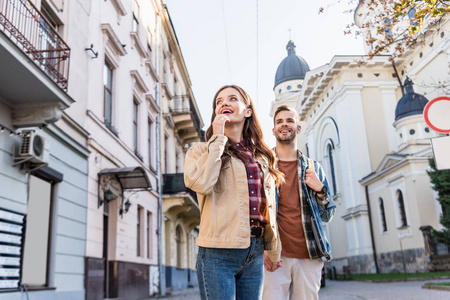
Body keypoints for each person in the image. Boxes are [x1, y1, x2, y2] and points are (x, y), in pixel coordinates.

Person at [184, 85, 285, 300]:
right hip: (217, 253)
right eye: (219, 102)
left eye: (232, 98)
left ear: (247, 111)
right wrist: (218, 139)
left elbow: (269, 206)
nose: (224, 103)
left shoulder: (263, 157)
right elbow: (202, 183)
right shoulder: (199, 151)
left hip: (255, 251)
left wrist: (273, 248)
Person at [262, 105, 336, 300]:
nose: (284, 124)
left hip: (309, 255)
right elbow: (255, 212)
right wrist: (262, 249)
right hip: (275, 256)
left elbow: (328, 215)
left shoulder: (314, 168)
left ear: (298, 128)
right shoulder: (263, 166)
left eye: (289, 120)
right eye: (279, 121)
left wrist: (320, 190)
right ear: (274, 130)